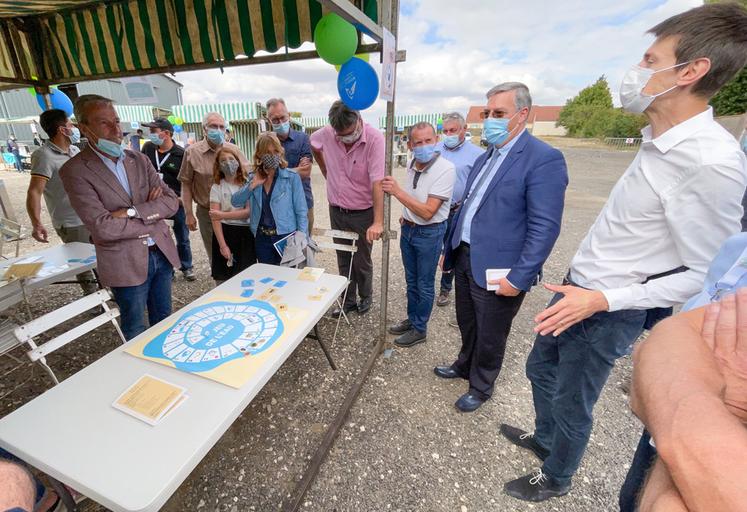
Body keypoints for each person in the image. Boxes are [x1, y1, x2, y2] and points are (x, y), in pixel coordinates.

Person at [500, 3, 747, 502]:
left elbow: (703, 273)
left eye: (650, 59)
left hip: (607, 307)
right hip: (578, 287)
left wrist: (602, 300)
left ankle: (558, 476)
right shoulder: (661, 141)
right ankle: (546, 441)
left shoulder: (711, 162)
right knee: (540, 368)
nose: (637, 71)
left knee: (574, 397)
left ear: (691, 71)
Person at [438, 82, 568, 413]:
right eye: (488, 113)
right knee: (467, 321)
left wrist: (520, 276)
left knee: (491, 332)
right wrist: (449, 249)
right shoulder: (486, 158)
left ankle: (481, 386)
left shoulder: (543, 159)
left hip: (501, 269)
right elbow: (468, 206)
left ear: (522, 115)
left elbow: (544, 226)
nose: (491, 120)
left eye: (499, 114)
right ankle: (464, 365)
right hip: (467, 255)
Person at [619, 231, 747, 510]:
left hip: (677, 411)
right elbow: (662, 340)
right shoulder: (738, 245)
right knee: (630, 499)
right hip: (672, 423)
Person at [60, 94, 180, 340]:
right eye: (104, 123)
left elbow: (171, 202)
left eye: (116, 120)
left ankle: (165, 371)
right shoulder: (75, 171)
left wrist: (132, 212)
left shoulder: (138, 159)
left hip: (161, 252)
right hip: (124, 261)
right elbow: (103, 227)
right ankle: (140, 375)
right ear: (84, 128)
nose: (116, 129)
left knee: (165, 321)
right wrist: (150, 212)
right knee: (135, 327)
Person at [383, 122, 455, 347]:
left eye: (428, 141)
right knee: (411, 281)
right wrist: (406, 215)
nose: (423, 146)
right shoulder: (413, 164)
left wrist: (397, 192)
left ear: (436, 141)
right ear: (410, 145)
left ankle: (420, 329)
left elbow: (427, 211)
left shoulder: (446, 169)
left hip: (429, 233)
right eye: (418, 142)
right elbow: (416, 200)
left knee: (424, 284)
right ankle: (412, 320)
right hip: (409, 230)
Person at [310, 100, 384, 317]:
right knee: (343, 258)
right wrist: (324, 168)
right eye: (340, 135)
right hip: (337, 210)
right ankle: (347, 301)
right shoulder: (326, 133)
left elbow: (377, 182)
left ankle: (366, 295)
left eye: (349, 133)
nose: (345, 138)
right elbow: (313, 144)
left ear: (359, 120)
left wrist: (378, 221)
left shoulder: (374, 139)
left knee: (361, 259)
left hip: (363, 212)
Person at [26, 108, 97, 295]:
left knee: (102, 259)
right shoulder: (43, 156)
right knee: (83, 264)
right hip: (71, 222)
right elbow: (35, 191)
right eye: (70, 124)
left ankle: (110, 294)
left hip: (91, 216)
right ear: (61, 129)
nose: (73, 128)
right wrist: (36, 223)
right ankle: (94, 299)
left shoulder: (74, 150)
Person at [178, 112, 250, 265]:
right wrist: (188, 213)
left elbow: (248, 174)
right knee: (217, 257)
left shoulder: (234, 149)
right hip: (208, 214)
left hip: (235, 211)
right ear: (204, 129)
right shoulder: (192, 152)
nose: (218, 130)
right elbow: (186, 184)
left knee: (241, 254)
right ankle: (222, 287)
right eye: (213, 126)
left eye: (221, 127)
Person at [231, 132, 307, 265]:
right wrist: (252, 185)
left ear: (280, 152)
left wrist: (301, 235)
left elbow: (301, 210)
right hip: (262, 238)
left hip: (286, 237)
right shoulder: (252, 177)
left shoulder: (291, 177)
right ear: (259, 154)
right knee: (268, 279)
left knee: (289, 278)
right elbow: (236, 202)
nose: (272, 155)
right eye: (267, 152)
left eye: (275, 151)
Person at [434, 112, 485, 307]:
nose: (449, 134)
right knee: (432, 250)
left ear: (464, 129)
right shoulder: (435, 150)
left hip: (458, 211)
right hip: (435, 210)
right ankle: (425, 288)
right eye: (445, 131)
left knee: (451, 250)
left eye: (453, 130)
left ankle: (445, 289)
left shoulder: (478, 154)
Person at [141, 117, 196, 281]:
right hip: (153, 203)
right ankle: (167, 270)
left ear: (166, 134)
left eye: (153, 131)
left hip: (176, 203)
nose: (150, 134)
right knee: (160, 238)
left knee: (182, 238)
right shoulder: (148, 148)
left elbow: (187, 181)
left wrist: (183, 200)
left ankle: (187, 267)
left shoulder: (181, 154)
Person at [266, 98, 314, 232]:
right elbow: (266, 174)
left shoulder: (303, 138)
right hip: (276, 205)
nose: (280, 122)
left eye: (283, 117)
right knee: (281, 248)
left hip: (304, 201)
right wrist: (295, 170)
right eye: (275, 119)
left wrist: (278, 172)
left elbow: (305, 172)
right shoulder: (266, 143)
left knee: (303, 245)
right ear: (269, 120)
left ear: (289, 116)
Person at [209, 146, 255, 283]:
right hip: (225, 233)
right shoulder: (217, 186)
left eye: (231, 159)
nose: (228, 163)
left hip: (245, 234)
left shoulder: (247, 184)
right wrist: (223, 245)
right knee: (224, 276)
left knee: (247, 275)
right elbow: (214, 218)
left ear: (237, 161)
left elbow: (248, 212)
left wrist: (222, 215)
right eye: (223, 160)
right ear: (218, 165)